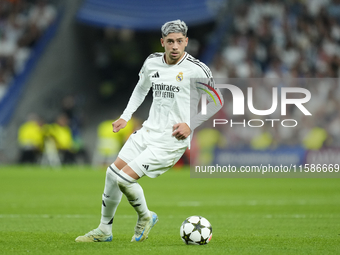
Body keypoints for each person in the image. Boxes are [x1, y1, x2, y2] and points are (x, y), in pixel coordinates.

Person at [75, 20, 223, 243]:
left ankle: (145, 217)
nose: (175, 46)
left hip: (171, 139)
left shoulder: (196, 69)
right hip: (148, 131)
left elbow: (216, 100)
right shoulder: (152, 62)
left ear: (186, 42)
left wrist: (190, 124)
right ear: (163, 42)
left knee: (124, 180)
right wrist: (126, 116)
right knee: (111, 174)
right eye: (170, 41)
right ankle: (104, 230)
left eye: (179, 41)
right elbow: (141, 88)